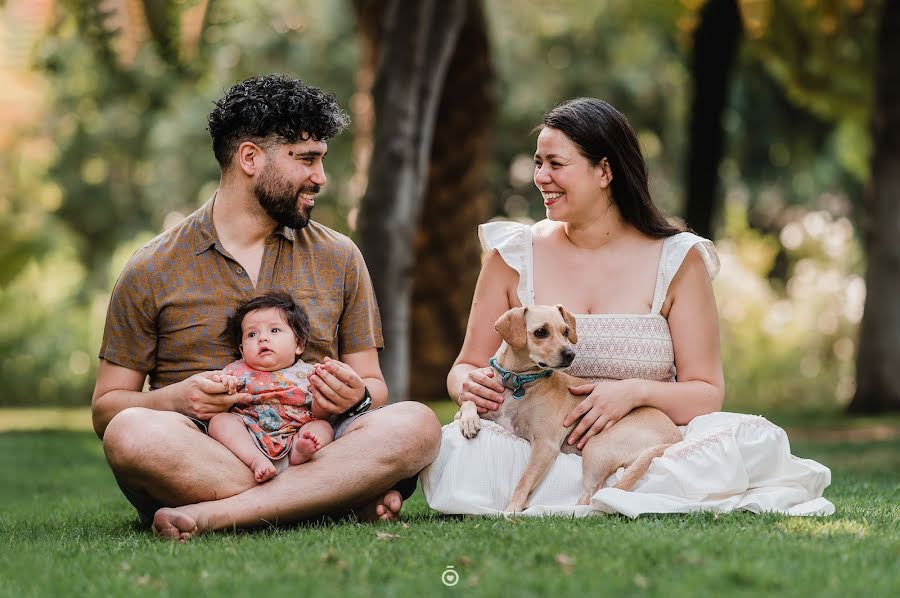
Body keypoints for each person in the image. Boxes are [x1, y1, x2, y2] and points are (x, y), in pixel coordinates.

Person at [421, 98, 833, 517]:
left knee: (745, 443)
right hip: (530, 446)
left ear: (604, 171)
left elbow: (707, 393)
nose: (541, 177)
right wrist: (466, 386)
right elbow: (465, 367)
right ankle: (572, 491)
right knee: (462, 450)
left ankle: (607, 487)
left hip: (644, 443)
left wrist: (632, 392)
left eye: (556, 164)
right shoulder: (511, 256)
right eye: (538, 162)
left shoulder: (677, 259)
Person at [92, 74, 441, 541]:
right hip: (206, 455)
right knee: (130, 432)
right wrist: (177, 399)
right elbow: (107, 408)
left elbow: (373, 388)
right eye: (307, 160)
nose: (320, 177)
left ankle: (219, 515)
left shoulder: (339, 257)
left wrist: (353, 397)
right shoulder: (150, 267)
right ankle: (335, 497)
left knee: (417, 422)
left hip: (312, 445)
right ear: (250, 158)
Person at [210, 292, 334, 484]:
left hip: (294, 430)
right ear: (242, 350)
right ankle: (256, 460)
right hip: (250, 431)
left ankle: (299, 453)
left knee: (322, 426)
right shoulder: (236, 370)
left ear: (299, 344)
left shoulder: (310, 372)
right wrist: (225, 384)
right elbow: (218, 392)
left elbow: (320, 412)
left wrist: (319, 397)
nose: (262, 339)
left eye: (274, 331)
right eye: (252, 334)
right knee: (220, 421)